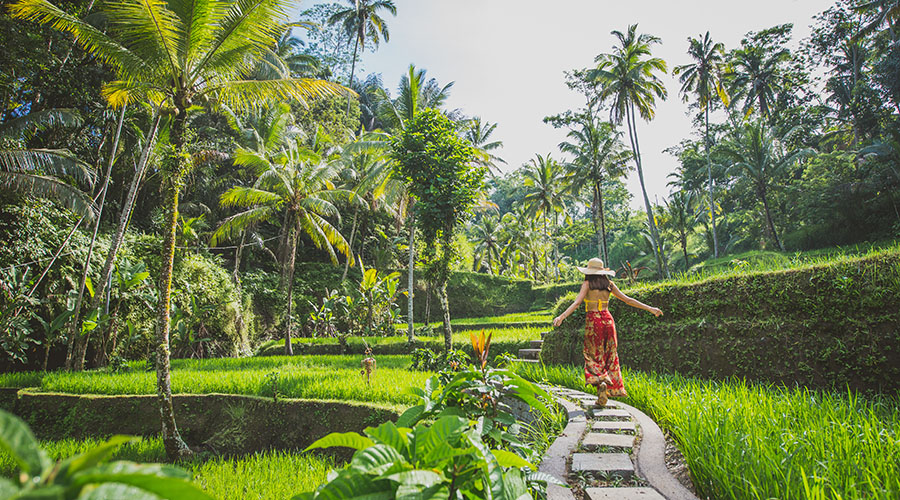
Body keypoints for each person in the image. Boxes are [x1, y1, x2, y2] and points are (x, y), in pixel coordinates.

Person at [553, 258, 663, 405]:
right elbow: (628, 300)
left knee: (593, 354)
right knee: (610, 355)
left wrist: (562, 316)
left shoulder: (587, 284)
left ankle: (601, 383)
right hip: (608, 321)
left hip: (594, 322)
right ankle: (606, 390)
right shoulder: (609, 285)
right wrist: (651, 308)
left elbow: (577, 302)